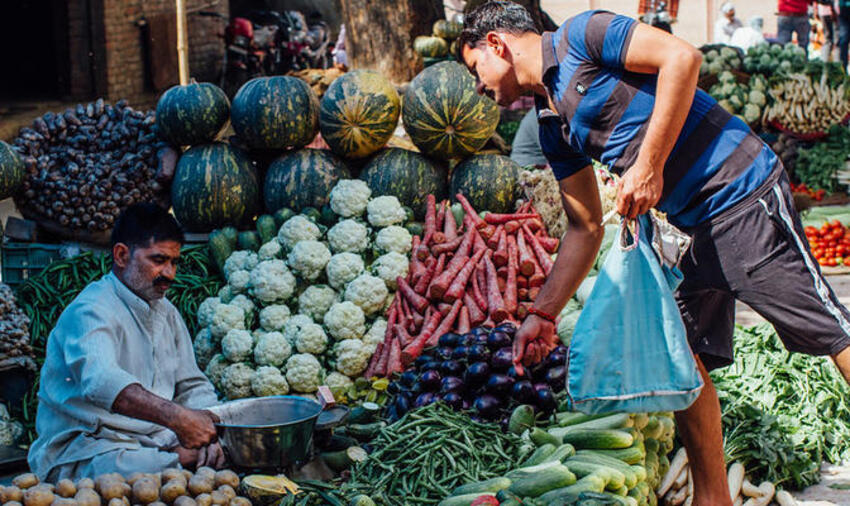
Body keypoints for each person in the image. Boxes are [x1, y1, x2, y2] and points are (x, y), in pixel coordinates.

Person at [456, 2, 850, 505]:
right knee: (683, 355)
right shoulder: (550, 120)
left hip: (739, 192)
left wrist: (648, 166)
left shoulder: (584, 35)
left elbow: (682, 57)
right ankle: (714, 498)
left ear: (496, 45)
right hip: (686, 229)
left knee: (829, 330)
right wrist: (543, 314)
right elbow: (585, 226)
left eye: (475, 70)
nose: (478, 86)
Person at [28, 203, 223, 481]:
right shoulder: (92, 310)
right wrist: (178, 419)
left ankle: (177, 458)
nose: (170, 274)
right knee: (126, 469)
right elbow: (102, 381)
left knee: (215, 451)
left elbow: (192, 384)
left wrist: (207, 428)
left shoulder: (166, 311)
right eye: (158, 260)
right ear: (121, 255)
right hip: (90, 445)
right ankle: (177, 460)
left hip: (155, 439)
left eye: (174, 262)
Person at [838, 0, 850, 68]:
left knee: (843, 41)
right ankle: (843, 67)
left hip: (843, 9)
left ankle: (843, 67)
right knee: (843, 42)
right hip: (844, 11)